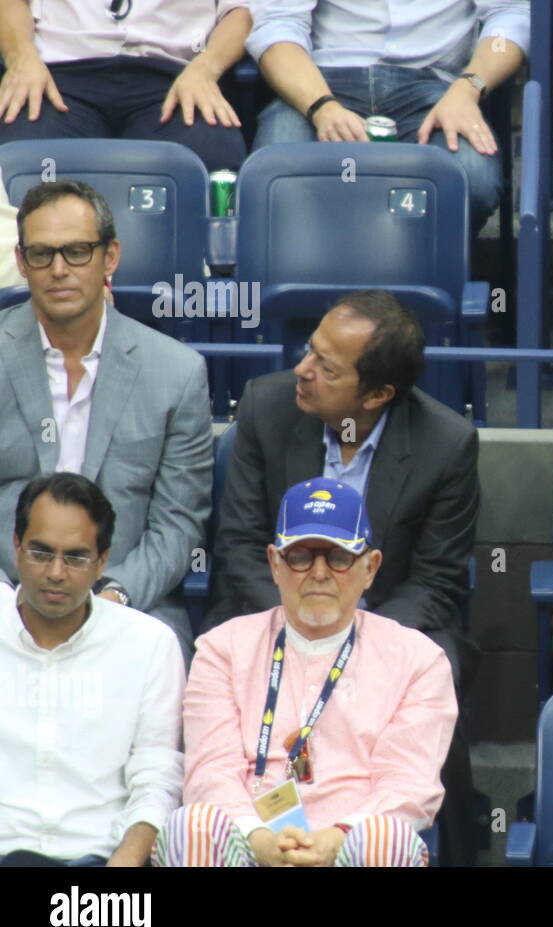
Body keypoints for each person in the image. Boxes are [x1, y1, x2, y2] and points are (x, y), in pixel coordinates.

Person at [205, 290, 480, 865]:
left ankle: (427, 845)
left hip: (388, 619)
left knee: (440, 669)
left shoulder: (446, 443)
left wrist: (353, 639)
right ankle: (249, 829)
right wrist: (302, 618)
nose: (302, 370)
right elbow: (236, 543)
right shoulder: (265, 405)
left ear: (379, 394)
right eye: (311, 351)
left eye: (326, 367)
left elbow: (437, 579)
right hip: (274, 608)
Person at [153, 478, 457, 868]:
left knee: (387, 837)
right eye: (300, 556)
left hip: (353, 843)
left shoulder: (420, 660)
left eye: (338, 557)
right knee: (189, 825)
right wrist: (262, 841)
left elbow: (407, 784)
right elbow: (210, 772)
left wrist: (333, 839)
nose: (318, 572)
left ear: (370, 568)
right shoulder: (221, 649)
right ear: (274, 564)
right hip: (249, 840)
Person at [0, 180, 212, 660]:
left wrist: (113, 598)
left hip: (131, 602)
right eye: (41, 254)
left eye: (76, 252)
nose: (58, 270)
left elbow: (178, 524)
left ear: (109, 258)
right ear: (23, 260)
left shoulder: (176, 372)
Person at [0, 473, 184, 867]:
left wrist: (126, 863)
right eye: (41, 552)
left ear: (102, 561)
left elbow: (157, 778)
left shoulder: (148, 644)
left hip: (100, 860)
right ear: (16, 547)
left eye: (76, 557)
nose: (55, 572)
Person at [246, 0, 529, 236]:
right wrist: (320, 104)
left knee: (470, 179)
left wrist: (469, 87)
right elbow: (277, 23)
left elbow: (509, 15)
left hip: (438, 86)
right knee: (276, 177)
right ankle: (314, 294)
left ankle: (412, 293)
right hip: (319, 80)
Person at [0, 0, 250, 172]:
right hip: (57, 75)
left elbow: (242, 11)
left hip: (177, 77)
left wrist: (206, 68)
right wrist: (20, 56)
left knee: (212, 155)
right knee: (20, 155)